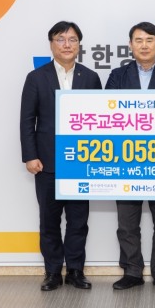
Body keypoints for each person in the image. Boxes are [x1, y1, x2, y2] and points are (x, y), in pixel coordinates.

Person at [20, 21, 102, 291]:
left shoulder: (90, 78)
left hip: (81, 163)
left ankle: (76, 270)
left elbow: (100, 121)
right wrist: (30, 156)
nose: (67, 45)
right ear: (51, 44)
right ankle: (53, 272)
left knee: (79, 221)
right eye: (61, 39)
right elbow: (27, 120)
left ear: (79, 44)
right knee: (49, 221)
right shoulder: (36, 77)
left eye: (72, 40)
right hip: (47, 162)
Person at [105, 22, 155, 291]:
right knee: (127, 222)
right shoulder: (118, 75)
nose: (144, 45)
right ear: (130, 45)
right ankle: (132, 271)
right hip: (126, 159)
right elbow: (107, 115)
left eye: (149, 40)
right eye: (138, 40)